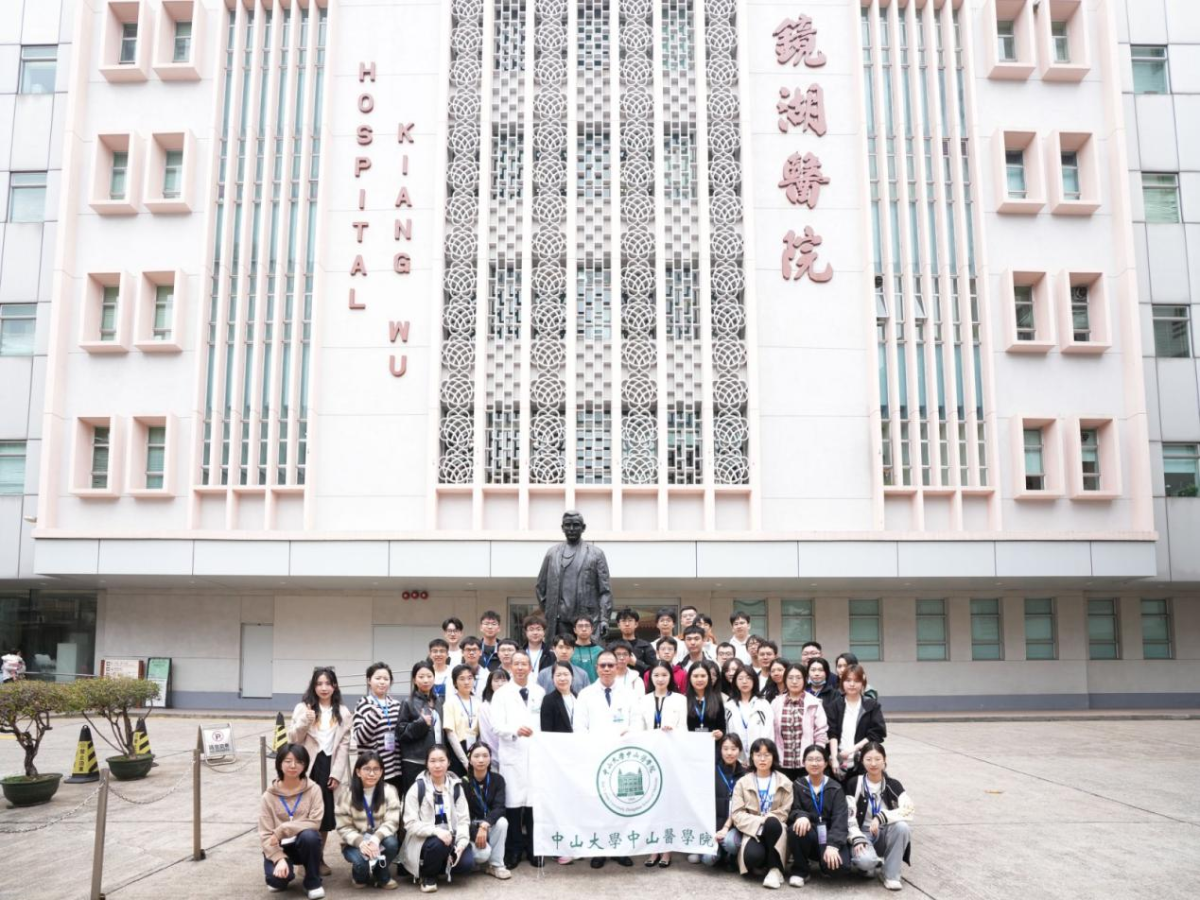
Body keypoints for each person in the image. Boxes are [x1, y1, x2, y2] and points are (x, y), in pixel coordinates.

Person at [575, 649, 637, 869]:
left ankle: (620, 848)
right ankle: (599, 848)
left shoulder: (629, 693)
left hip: (622, 758)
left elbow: (636, 723)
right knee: (598, 803)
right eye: (603, 666)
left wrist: (628, 736)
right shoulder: (585, 694)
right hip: (595, 757)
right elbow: (579, 728)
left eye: (611, 665)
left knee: (621, 803)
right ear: (596, 668)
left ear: (618, 666)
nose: (607, 669)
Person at [288, 667, 352, 876]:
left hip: (329, 765)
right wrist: (306, 720)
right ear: (313, 686)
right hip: (307, 766)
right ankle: (302, 859)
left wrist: (337, 773)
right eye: (319, 684)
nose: (324, 688)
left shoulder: (342, 712)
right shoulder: (302, 708)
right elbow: (293, 740)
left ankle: (318, 857)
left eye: (328, 683)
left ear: (334, 686)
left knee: (323, 816)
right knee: (304, 812)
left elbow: (343, 745)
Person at [490, 651, 545, 870]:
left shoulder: (539, 692)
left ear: (531, 667)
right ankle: (513, 851)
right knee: (512, 807)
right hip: (512, 753)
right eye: (517, 664)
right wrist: (514, 730)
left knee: (533, 806)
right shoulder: (501, 694)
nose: (521, 667)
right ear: (510, 667)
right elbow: (496, 725)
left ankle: (534, 849)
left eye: (524, 664)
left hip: (535, 755)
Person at [400, 745, 474, 893]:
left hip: (450, 838)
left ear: (449, 762)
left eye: (442, 760)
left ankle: (438, 866)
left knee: (466, 863)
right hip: (425, 840)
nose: (438, 765)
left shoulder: (456, 787)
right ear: (427, 764)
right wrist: (436, 831)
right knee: (439, 844)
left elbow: (463, 820)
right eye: (433, 761)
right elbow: (410, 823)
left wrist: (461, 844)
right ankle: (428, 876)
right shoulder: (417, 788)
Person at [259, 743, 326, 899]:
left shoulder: (313, 789)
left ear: (305, 765)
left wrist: (283, 829)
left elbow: (315, 823)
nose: (293, 766)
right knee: (277, 883)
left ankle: (313, 882)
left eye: (299, 762)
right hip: (279, 845)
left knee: (310, 836)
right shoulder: (268, 796)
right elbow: (265, 835)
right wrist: (279, 858)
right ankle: (282, 869)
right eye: (288, 761)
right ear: (279, 763)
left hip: (304, 844)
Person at [844, 742, 913, 891]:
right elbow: (848, 816)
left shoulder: (893, 785)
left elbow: (909, 810)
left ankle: (890, 875)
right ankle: (869, 863)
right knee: (866, 862)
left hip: (884, 832)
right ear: (862, 760)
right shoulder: (854, 783)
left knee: (902, 827)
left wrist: (881, 817)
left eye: (877, 759)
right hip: (862, 833)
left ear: (884, 760)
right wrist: (857, 838)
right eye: (868, 759)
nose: (873, 763)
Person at [535, 510, 613, 638]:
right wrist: (551, 611)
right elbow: (540, 587)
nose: (571, 529)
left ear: (583, 528)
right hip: (560, 621)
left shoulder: (596, 554)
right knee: (561, 656)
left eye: (576, 525)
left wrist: (604, 619)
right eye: (567, 525)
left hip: (587, 620)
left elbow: (605, 591)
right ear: (562, 528)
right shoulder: (552, 554)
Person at [729, 737, 793, 889]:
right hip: (754, 831)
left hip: (776, 830)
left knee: (772, 822)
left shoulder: (785, 782)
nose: (762, 759)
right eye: (758, 754)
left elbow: (785, 812)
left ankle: (774, 869)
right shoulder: (743, 783)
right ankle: (765, 860)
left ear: (773, 757)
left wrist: (768, 819)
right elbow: (737, 814)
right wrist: (761, 821)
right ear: (752, 757)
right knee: (752, 858)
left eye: (767, 755)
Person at [335, 751, 402, 890]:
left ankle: (381, 874)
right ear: (358, 772)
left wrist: (376, 839)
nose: (372, 774)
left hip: (380, 839)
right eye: (367, 769)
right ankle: (359, 874)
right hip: (354, 842)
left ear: (382, 772)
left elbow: (393, 821)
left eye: (376, 769)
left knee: (391, 843)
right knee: (361, 872)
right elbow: (343, 827)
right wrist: (361, 842)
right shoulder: (346, 794)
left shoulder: (389, 790)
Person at [786, 744, 850, 887]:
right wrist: (801, 815)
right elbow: (791, 809)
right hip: (810, 834)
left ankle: (824, 863)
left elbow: (840, 819)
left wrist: (833, 845)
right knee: (796, 829)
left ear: (826, 763)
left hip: (829, 836)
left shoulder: (835, 787)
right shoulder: (797, 785)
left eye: (818, 759)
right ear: (804, 763)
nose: (814, 763)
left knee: (840, 869)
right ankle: (800, 870)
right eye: (810, 759)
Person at [462, 742, 513, 879]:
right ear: (469, 759)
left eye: (485, 755)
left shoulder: (497, 780)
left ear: (490, 758)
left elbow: (499, 808)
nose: (481, 760)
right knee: (482, 854)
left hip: (488, 824)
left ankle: (496, 865)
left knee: (502, 822)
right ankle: (476, 859)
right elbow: (462, 816)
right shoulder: (463, 783)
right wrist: (476, 830)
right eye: (476, 756)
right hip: (471, 826)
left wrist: (484, 825)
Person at [353, 663, 404, 795]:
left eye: (386, 679)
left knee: (393, 807)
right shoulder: (363, 704)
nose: (382, 682)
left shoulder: (397, 705)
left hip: (395, 769)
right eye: (378, 678)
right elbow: (360, 738)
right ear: (369, 681)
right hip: (372, 770)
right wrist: (373, 716)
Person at [772, 663, 828, 784]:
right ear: (785, 680)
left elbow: (821, 733)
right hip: (782, 763)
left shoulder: (815, 703)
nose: (794, 681)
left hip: (806, 764)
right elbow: (771, 732)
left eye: (798, 677)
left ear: (805, 679)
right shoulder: (776, 703)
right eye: (790, 678)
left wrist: (816, 758)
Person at [828, 665, 887, 780]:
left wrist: (853, 749)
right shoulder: (835, 705)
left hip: (863, 761)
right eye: (848, 680)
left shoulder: (871, 705)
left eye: (856, 680)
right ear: (842, 682)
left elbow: (877, 733)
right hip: (839, 761)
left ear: (863, 682)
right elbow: (832, 733)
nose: (852, 684)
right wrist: (835, 758)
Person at [397, 661, 444, 799]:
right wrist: (421, 723)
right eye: (421, 676)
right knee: (415, 799)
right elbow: (400, 733)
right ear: (414, 680)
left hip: (436, 761)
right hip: (415, 761)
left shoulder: (438, 702)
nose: (425, 680)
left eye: (429, 676)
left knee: (435, 798)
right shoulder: (408, 702)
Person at [699, 734, 746, 869]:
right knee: (709, 859)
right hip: (712, 826)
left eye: (733, 748)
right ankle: (720, 854)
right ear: (720, 750)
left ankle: (731, 855)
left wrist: (726, 828)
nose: (729, 753)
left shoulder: (745, 774)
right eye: (725, 749)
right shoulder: (710, 770)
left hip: (734, 826)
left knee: (732, 843)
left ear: (740, 750)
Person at [724, 661, 774, 765]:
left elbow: (768, 731)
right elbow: (727, 733)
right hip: (736, 759)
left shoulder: (763, 704)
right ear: (735, 682)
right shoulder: (729, 706)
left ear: (755, 681)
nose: (744, 682)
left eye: (748, 678)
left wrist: (760, 754)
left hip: (760, 758)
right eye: (740, 678)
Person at [442, 665, 479, 777]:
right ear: (455, 683)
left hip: (475, 749)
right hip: (457, 751)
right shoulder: (450, 703)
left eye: (470, 678)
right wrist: (465, 761)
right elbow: (451, 734)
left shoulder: (478, 702)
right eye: (462, 679)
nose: (466, 682)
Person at [633, 661, 687, 732]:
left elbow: (683, 727)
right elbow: (639, 726)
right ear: (650, 677)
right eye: (656, 675)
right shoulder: (643, 700)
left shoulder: (681, 700)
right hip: (649, 742)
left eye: (664, 675)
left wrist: (672, 730)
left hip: (672, 741)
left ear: (670, 676)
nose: (660, 679)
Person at [685, 660, 725, 742]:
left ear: (709, 678)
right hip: (689, 746)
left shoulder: (717, 700)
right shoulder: (683, 700)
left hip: (711, 745)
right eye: (695, 676)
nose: (699, 679)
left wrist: (720, 733)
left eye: (703, 676)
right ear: (689, 678)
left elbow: (722, 728)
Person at [478, 668, 509, 770]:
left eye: (503, 680)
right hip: (492, 757)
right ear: (490, 684)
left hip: (511, 753)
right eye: (496, 681)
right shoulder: (485, 707)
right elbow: (487, 735)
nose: (500, 684)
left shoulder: (514, 703)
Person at [539, 660, 577, 734]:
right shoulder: (548, 700)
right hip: (558, 743)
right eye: (558, 675)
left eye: (566, 674)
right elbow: (546, 730)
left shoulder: (578, 697)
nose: (562, 678)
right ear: (552, 678)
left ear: (572, 676)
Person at [615, 608, 657, 672]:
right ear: (618, 625)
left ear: (636, 624)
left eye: (630, 620)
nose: (627, 624)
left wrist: (636, 663)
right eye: (623, 621)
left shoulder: (646, 646)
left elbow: (655, 671)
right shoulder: (613, 646)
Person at [806, 657, 838, 724]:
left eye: (821, 670)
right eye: (813, 670)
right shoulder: (802, 691)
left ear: (826, 673)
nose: (817, 673)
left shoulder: (834, 694)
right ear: (808, 672)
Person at [428, 640, 453, 706]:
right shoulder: (426, 672)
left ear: (447, 654)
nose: (438, 654)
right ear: (430, 654)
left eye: (442, 651)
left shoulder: (454, 672)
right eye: (435, 651)